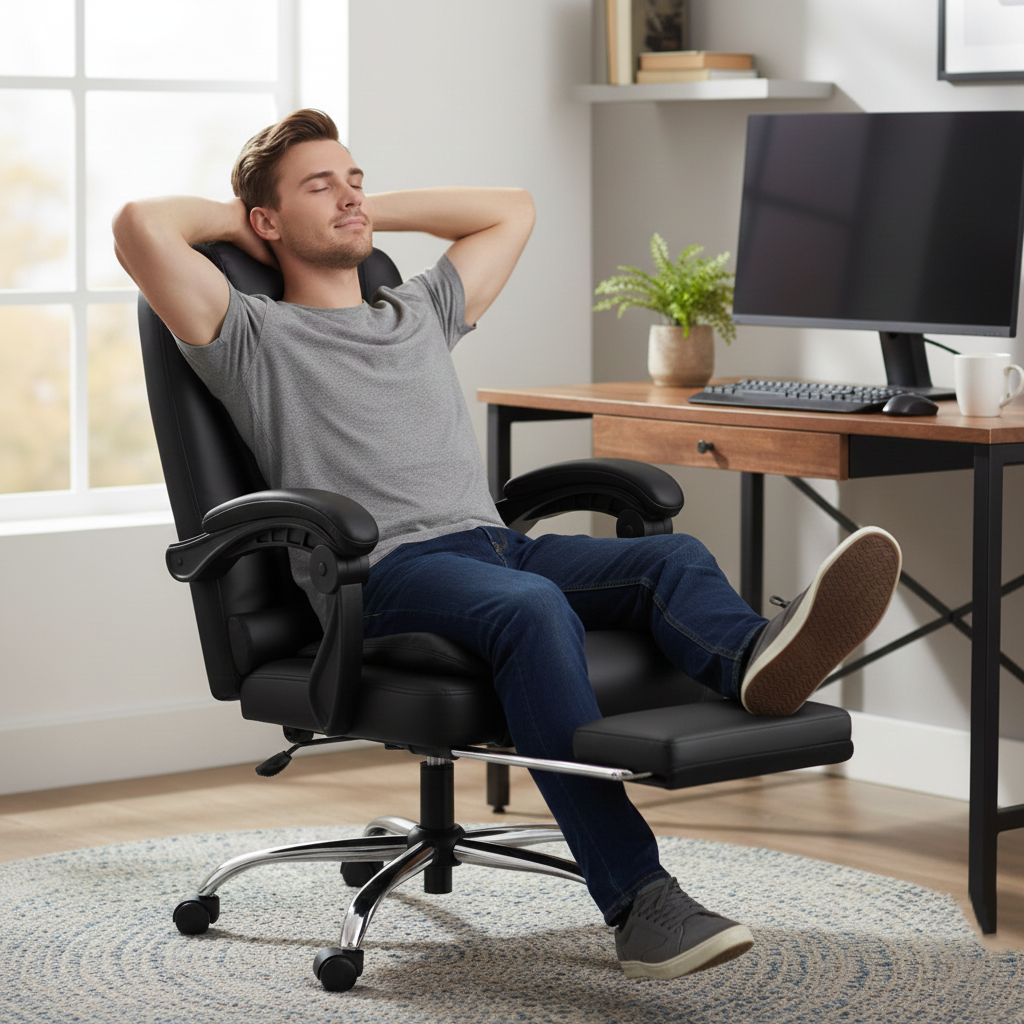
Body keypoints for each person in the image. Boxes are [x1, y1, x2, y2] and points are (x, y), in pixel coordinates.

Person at [113, 108, 903, 981]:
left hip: (493, 541)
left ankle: (755, 662)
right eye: (320, 185)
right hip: (383, 571)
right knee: (529, 611)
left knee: (671, 559)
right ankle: (638, 898)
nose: (350, 196)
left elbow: (512, 209)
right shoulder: (253, 336)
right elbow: (138, 226)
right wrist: (251, 218)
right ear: (266, 222)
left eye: (356, 178)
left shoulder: (418, 310)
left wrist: (347, 209)